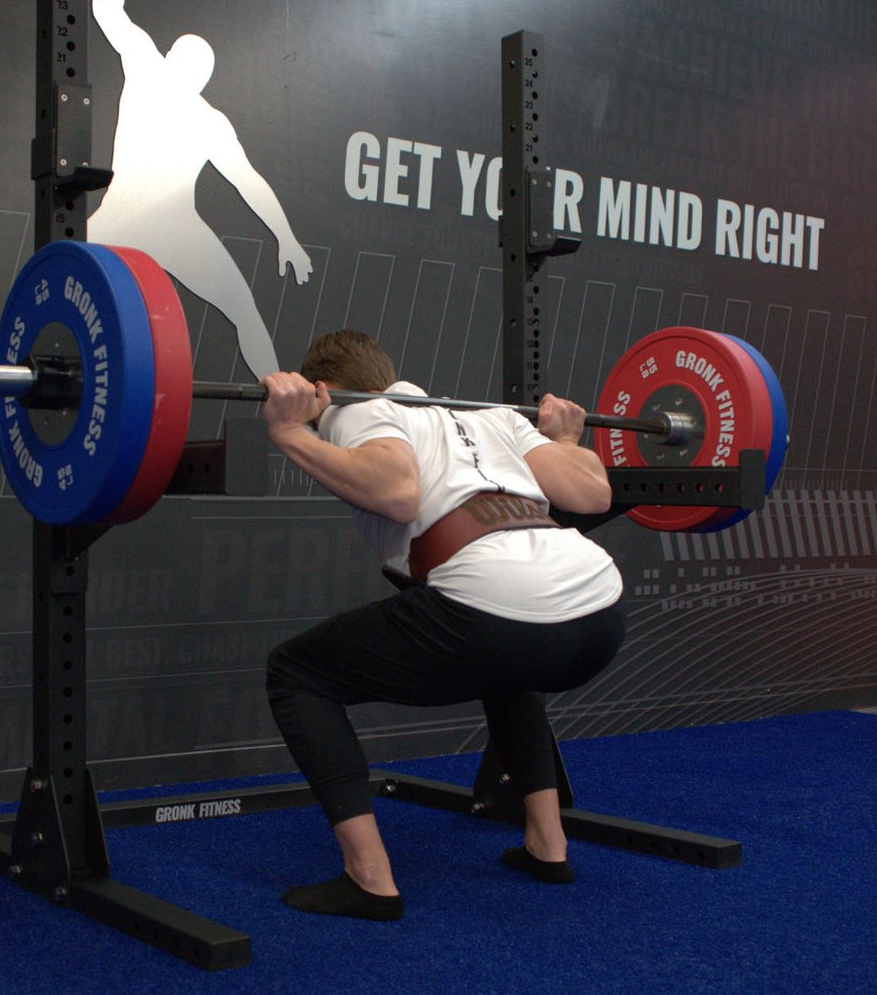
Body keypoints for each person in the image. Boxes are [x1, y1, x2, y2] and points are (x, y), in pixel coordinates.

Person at [261, 330, 626, 921]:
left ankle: (370, 879)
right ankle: (548, 845)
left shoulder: (361, 409)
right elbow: (591, 491)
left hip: (496, 606)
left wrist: (290, 430)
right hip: (601, 611)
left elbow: (398, 493)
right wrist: (564, 438)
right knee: (509, 662)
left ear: (324, 389)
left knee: (296, 673)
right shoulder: (491, 418)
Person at [0, 0, 311, 449]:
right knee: (47, 314)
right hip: (123, 216)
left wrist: (286, 237)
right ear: (173, 59)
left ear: (202, 76)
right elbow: (106, 8)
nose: (186, 67)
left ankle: (290, 422)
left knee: (245, 312)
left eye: (195, 65)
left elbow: (250, 183)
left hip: (179, 227)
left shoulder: (209, 120)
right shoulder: (149, 70)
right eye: (182, 57)